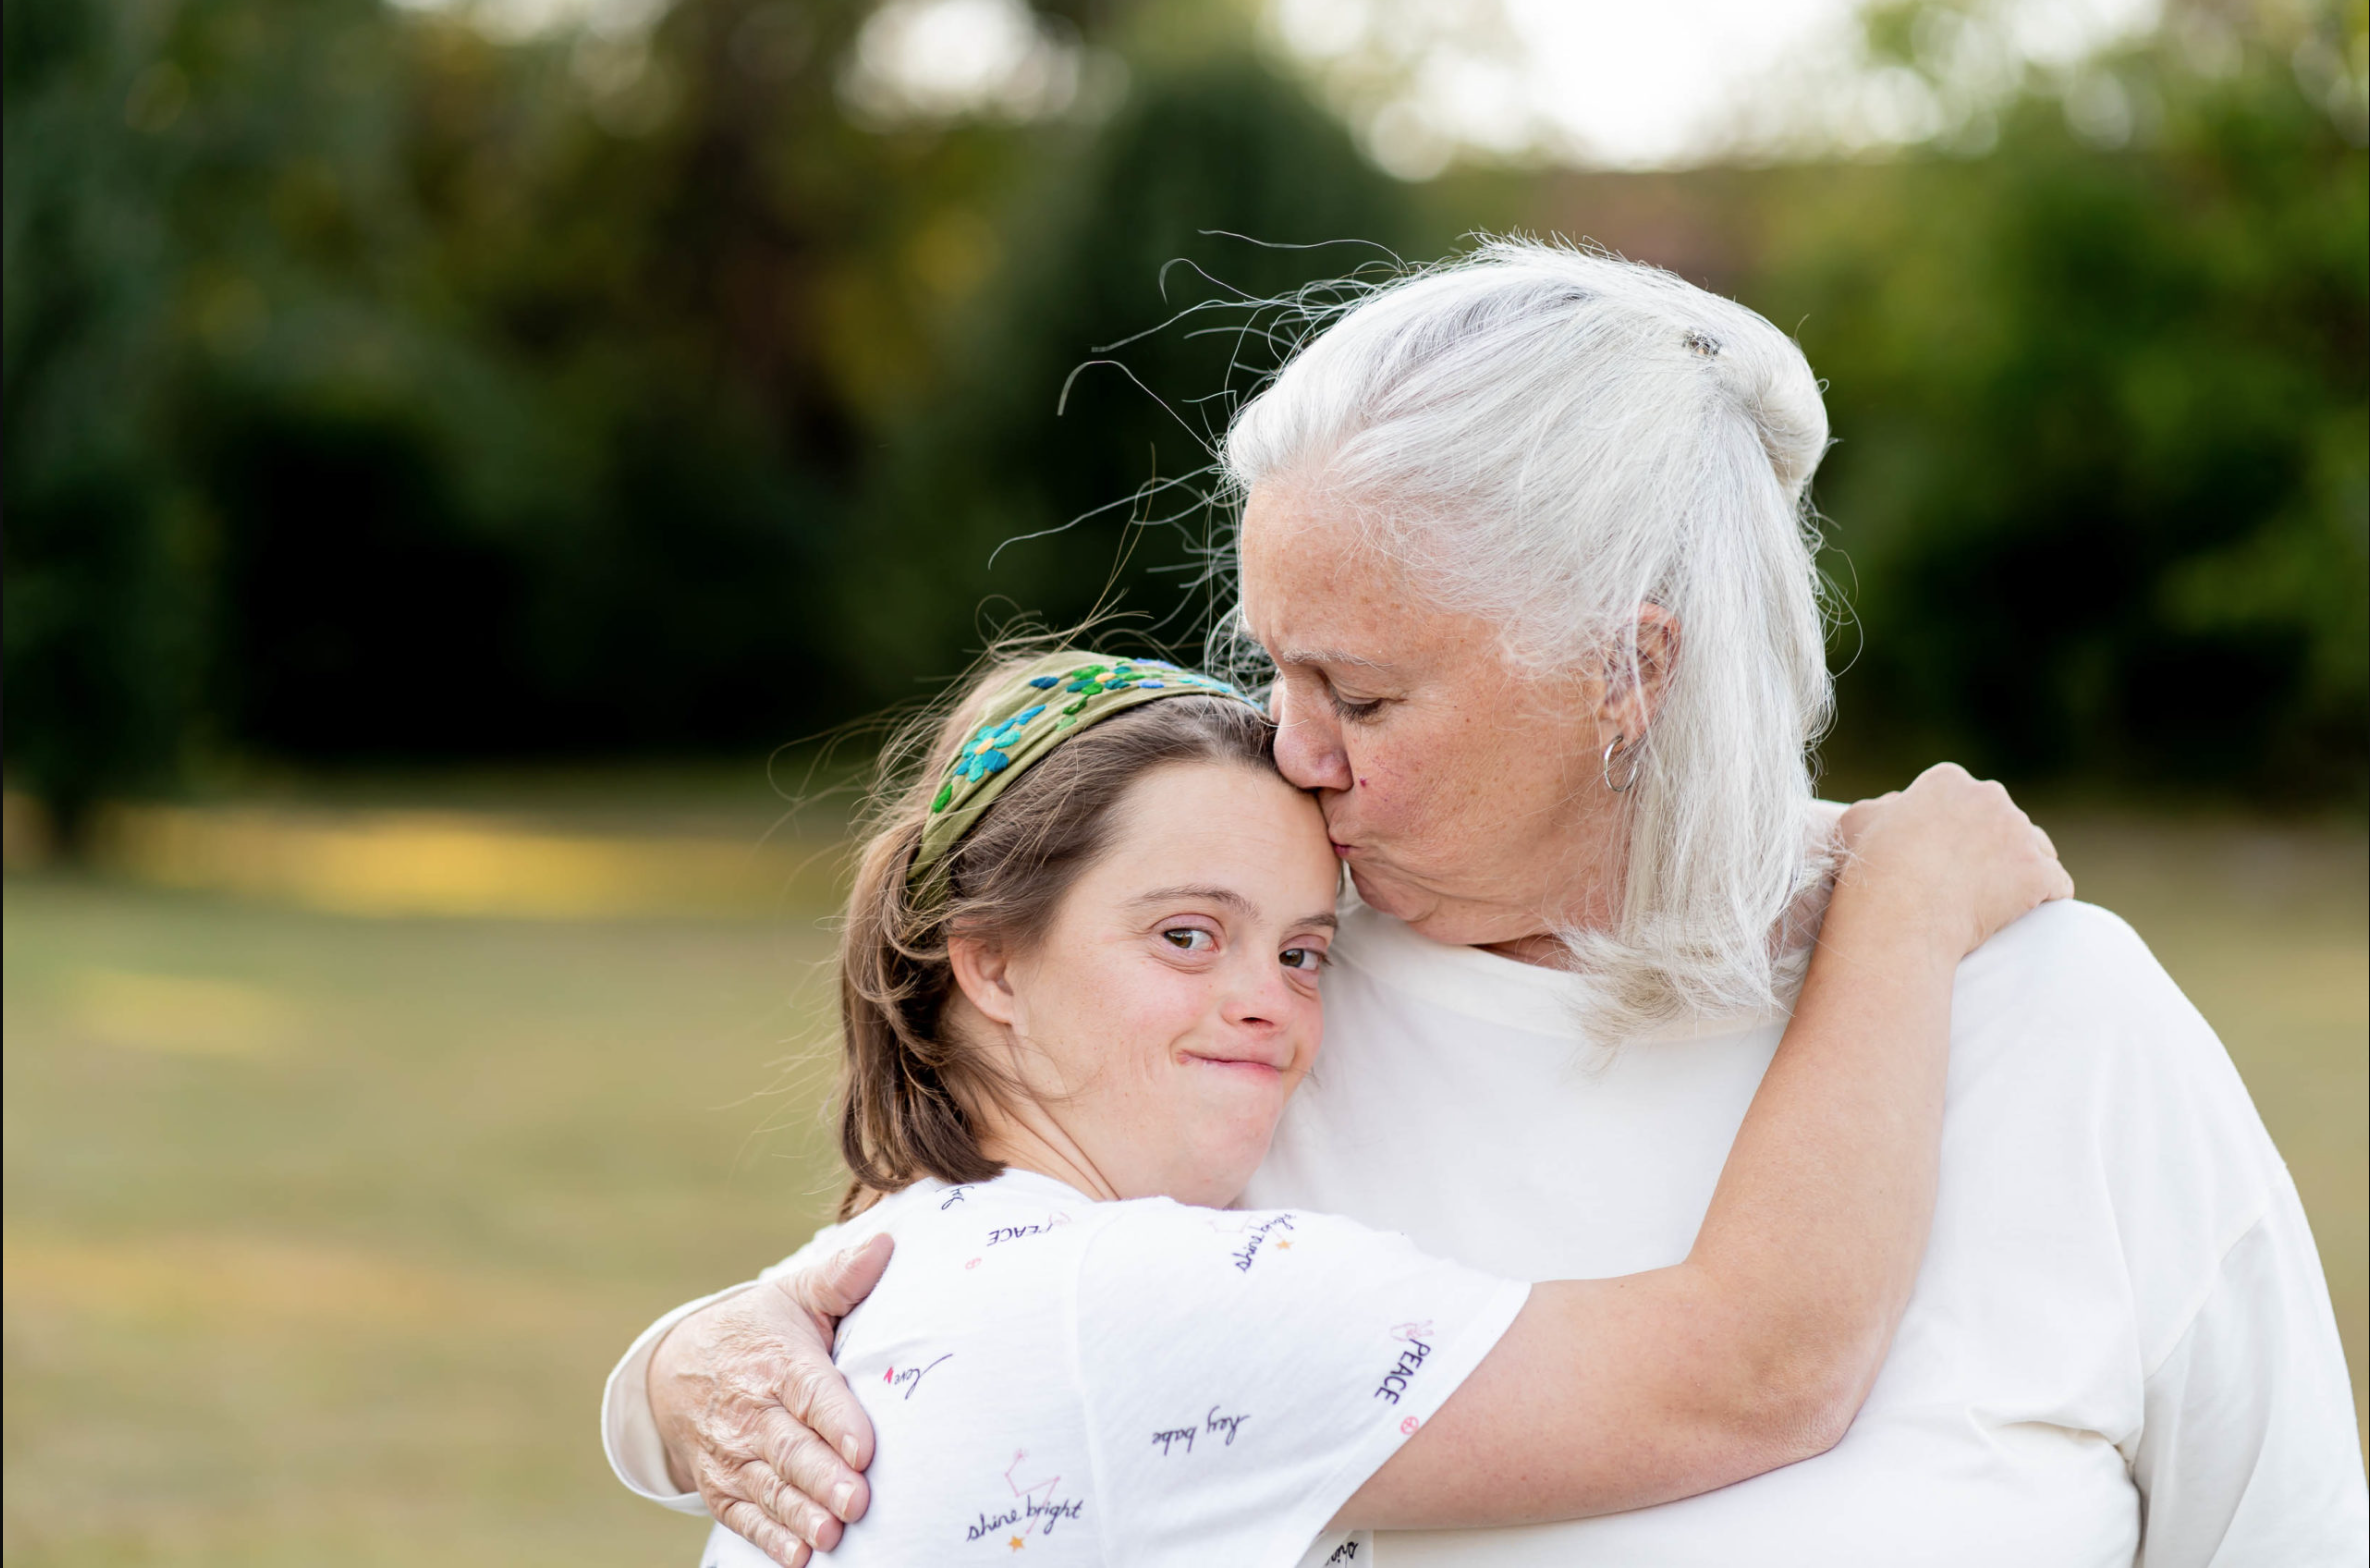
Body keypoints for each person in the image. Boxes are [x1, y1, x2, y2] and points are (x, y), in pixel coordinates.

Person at [607, 242, 2369, 1566]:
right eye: (1274, 668)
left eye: (1360, 695)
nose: (1288, 753)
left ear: (1629, 668)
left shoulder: (2056, 1016)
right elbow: (942, 1295)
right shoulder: (1260, 1019)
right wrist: (682, 1371)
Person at [674, 646, 2064, 1568]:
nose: (1265, 1003)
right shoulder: (1149, 1302)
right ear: (989, 966)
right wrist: (1906, 901)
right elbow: (1757, 1375)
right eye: (1184, 936)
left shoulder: (907, 1263)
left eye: (1301, 952)